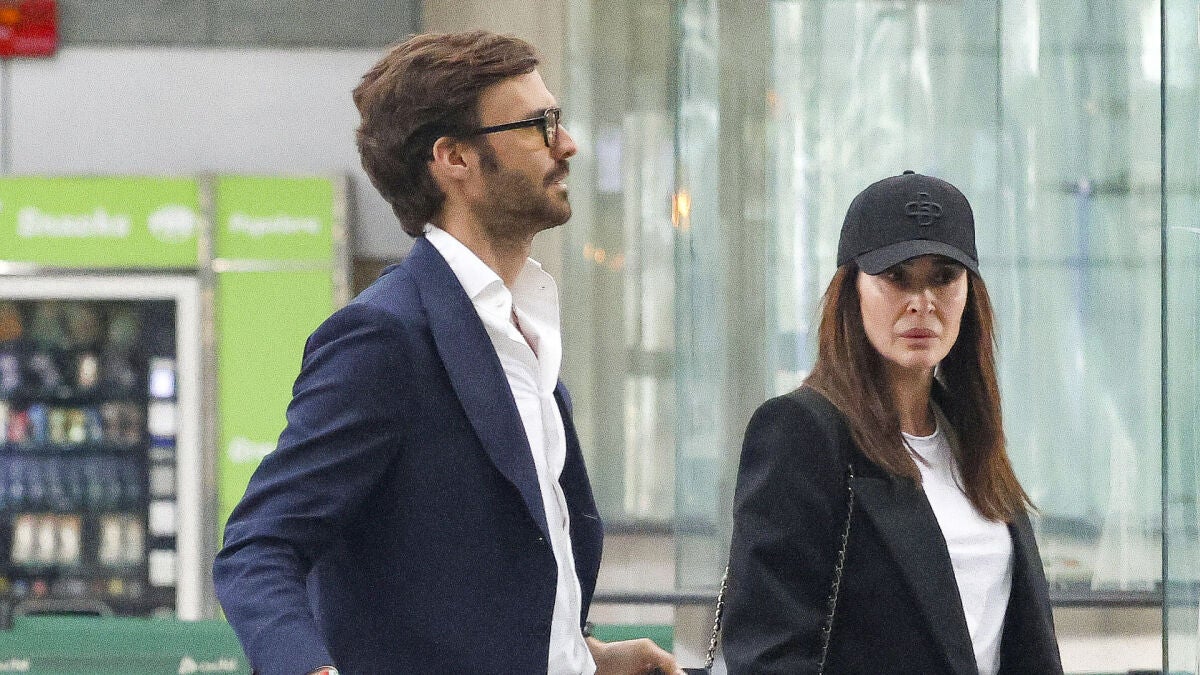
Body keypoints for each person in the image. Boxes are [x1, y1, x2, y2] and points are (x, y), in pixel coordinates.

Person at [213, 30, 682, 675]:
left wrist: (586, 657)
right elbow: (259, 547)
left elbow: (474, 581)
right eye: (540, 126)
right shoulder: (385, 337)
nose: (567, 144)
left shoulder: (520, 329)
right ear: (455, 158)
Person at [721, 171, 1063, 674]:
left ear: (969, 294)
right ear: (853, 292)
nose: (922, 302)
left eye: (944, 277)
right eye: (897, 277)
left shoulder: (970, 436)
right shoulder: (801, 432)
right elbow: (767, 652)